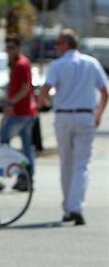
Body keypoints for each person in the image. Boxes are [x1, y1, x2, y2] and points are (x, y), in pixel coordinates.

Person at [39, 28, 108, 226]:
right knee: (81, 165)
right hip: (85, 116)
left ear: (66, 44)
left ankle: (70, 207)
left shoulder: (57, 65)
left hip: (63, 117)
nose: (56, 47)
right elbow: (105, 91)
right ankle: (74, 206)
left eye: (58, 43)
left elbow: (45, 89)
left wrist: (44, 101)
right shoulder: (91, 63)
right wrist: (98, 114)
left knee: (66, 164)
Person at [0, 34, 37, 189]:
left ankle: (20, 172)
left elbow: (25, 88)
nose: (9, 50)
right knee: (26, 147)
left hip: (22, 112)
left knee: (4, 140)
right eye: (7, 47)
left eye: (12, 47)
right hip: (24, 112)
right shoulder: (16, 65)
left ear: (18, 48)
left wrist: (11, 102)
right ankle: (25, 176)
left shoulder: (21, 64)